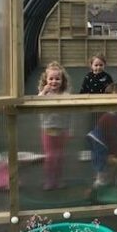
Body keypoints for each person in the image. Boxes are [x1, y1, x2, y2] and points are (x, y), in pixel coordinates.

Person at [38, 61, 71, 190]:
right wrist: (43, 92)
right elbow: (37, 102)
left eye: (57, 79)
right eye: (51, 79)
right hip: (48, 130)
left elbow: (70, 114)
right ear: (46, 80)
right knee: (50, 157)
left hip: (62, 130)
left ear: (62, 80)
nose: (54, 81)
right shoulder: (44, 94)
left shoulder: (65, 95)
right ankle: (49, 180)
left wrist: (69, 130)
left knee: (60, 156)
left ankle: (58, 179)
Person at [86, 83, 117, 193]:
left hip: (111, 145)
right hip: (102, 146)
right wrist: (109, 154)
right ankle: (97, 186)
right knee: (103, 171)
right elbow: (105, 138)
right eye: (113, 98)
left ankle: (115, 179)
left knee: (116, 164)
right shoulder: (107, 117)